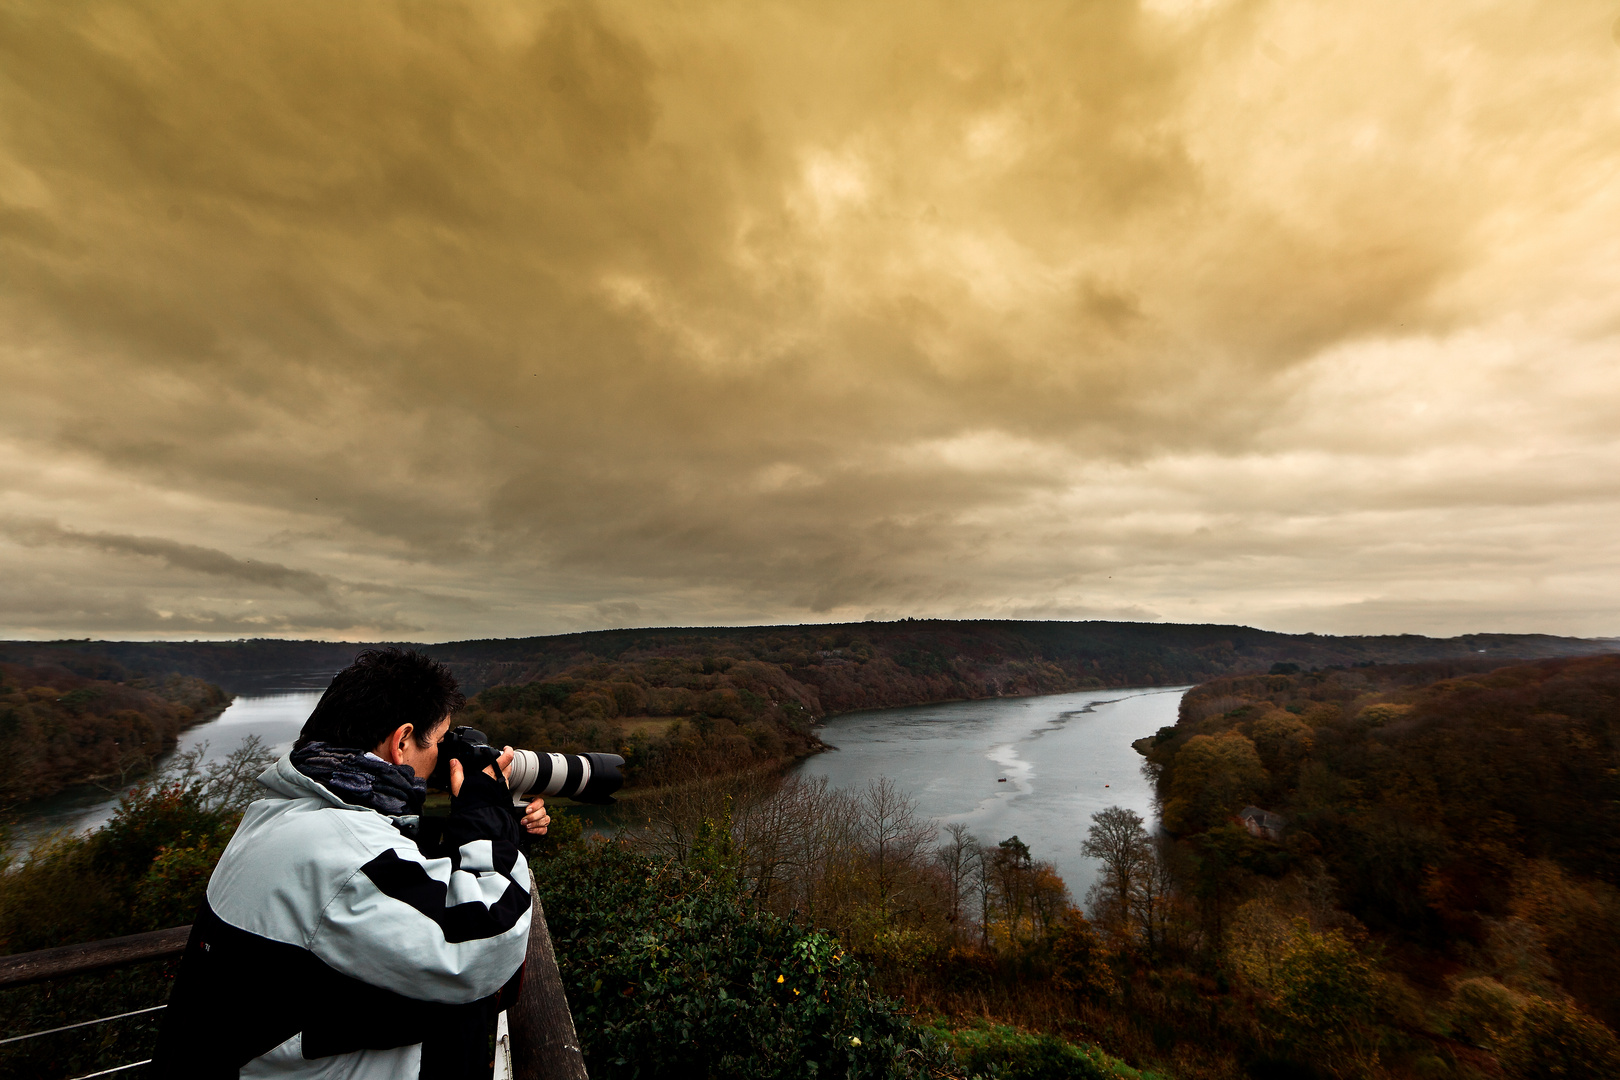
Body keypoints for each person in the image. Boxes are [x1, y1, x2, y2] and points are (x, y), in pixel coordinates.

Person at [154, 648, 551, 1079]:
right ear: (401, 741)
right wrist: (484, 811)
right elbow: (488, 939)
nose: (439, 757)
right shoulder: (347, 858)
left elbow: (404, 885)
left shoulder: (279, 816)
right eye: (437, 743)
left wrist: (497, 830)